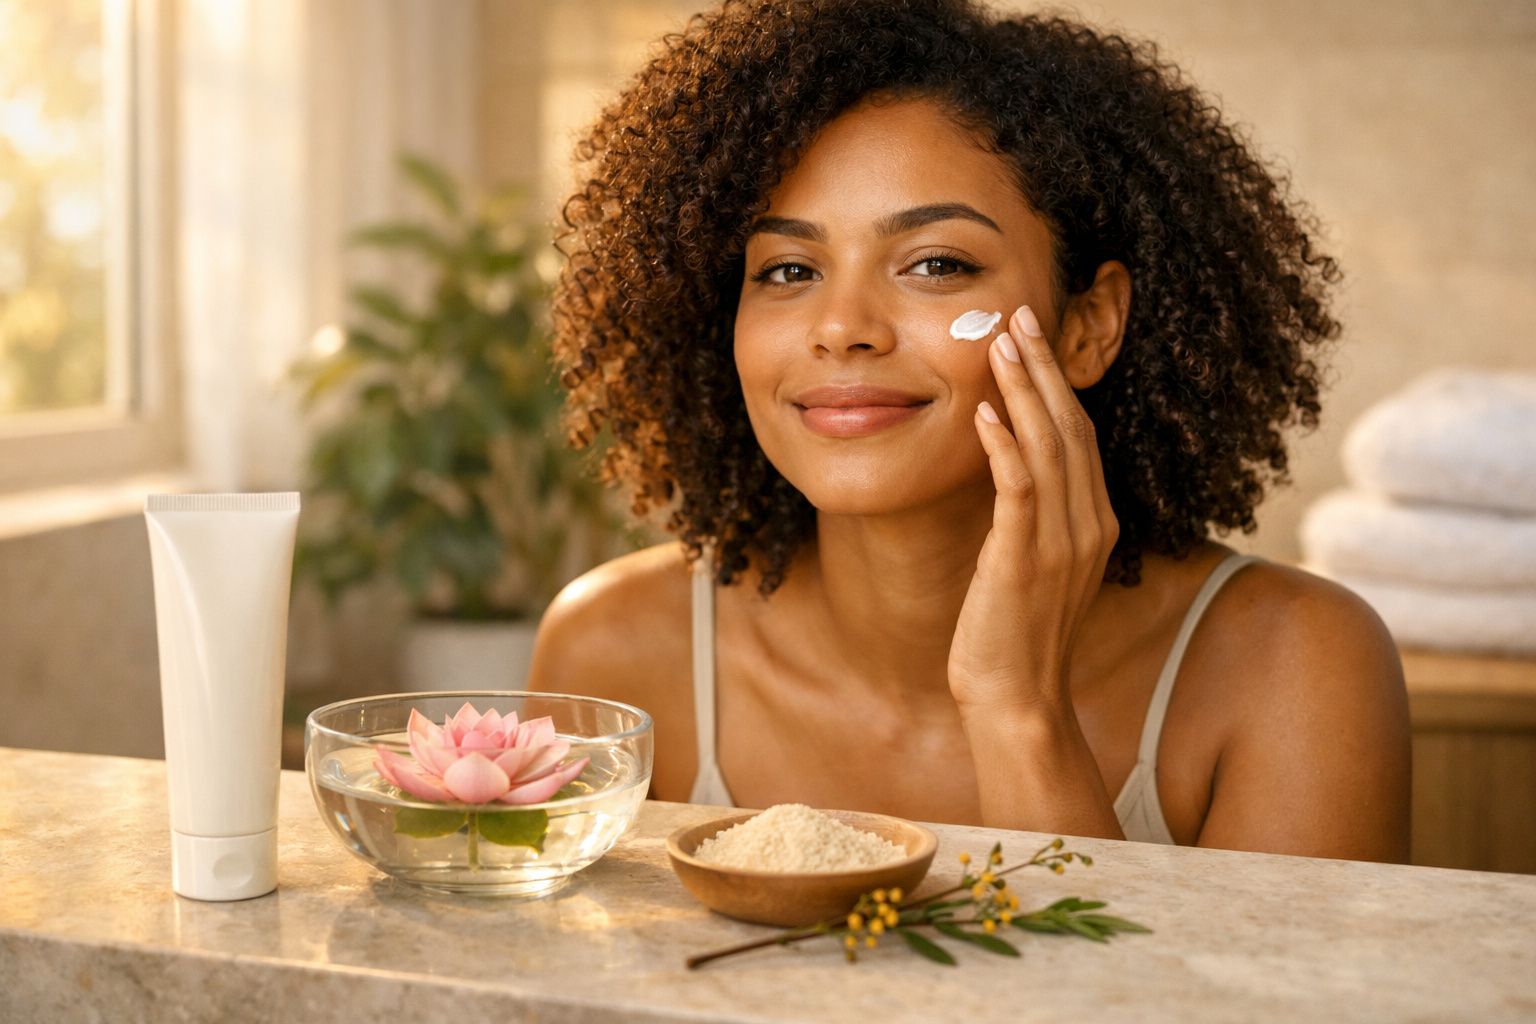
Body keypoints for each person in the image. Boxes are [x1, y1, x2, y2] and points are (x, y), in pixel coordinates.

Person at [529, 0, 1411, 861]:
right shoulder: (613, 652)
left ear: (1086, 326)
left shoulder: (1295, 667)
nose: (842, 327)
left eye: (936, 265)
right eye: (790, 268)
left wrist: (1016, 706)